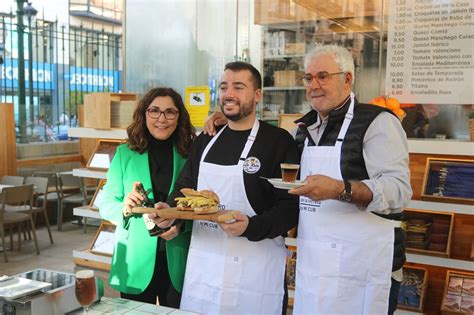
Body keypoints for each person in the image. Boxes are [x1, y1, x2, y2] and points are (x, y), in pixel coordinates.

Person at [203, 46, 412, 314]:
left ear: (347, 79)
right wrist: (228, 122)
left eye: (323, 76)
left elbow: (399, 191)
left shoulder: (378, 123)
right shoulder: (300, 130)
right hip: (316, 268)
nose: (314, 85)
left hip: (365, 267)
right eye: (308, 78)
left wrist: (339, 189)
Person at [159, 61, 299, 315]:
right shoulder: (206, 139)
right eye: (224, 87)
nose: (229, 94)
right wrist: (171, 216)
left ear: (257, 95)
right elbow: (184, 188)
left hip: (255, 272)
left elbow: (290, 209)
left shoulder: (278, 142)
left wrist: (251, 226)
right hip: (205, 270)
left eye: (239, 86)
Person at [98, 87, 195, 307]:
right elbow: (105, 204)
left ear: (179, 117)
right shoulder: (124, 154)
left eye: (170, 112)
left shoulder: (191, 155)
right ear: (144, 114)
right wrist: (124, 207)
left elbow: (200, 205)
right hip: (135, 261)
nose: (162, 119)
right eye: (154, 111)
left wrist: (182, 225)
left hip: (178, 259)